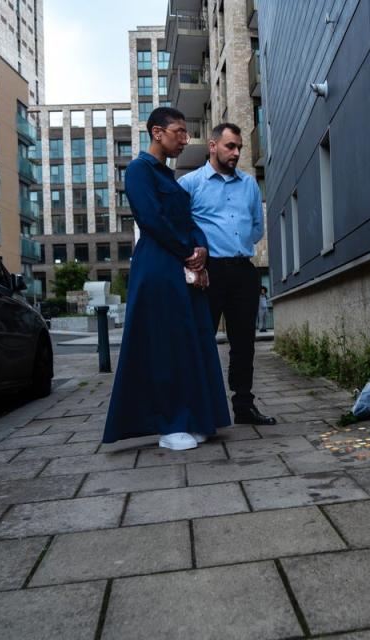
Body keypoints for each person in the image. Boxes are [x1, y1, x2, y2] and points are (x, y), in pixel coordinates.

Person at [102, 107, 230, 451]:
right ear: (157, 132)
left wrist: (200, 247)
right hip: (158, 269)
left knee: (190, 342)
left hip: (178, 266)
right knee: (164, 346)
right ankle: (169, 424)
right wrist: (188, 251)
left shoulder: (167, 176)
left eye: (186, 133)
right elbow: (152, 219)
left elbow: (187, 219)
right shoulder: (139, 171)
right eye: (179, 132)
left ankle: (194, 417)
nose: (184, 139)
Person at [179, 123, 276, 425]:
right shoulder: (190, 184)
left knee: (244, 342)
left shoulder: (248, 184)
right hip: (208, 273)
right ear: (212, 146)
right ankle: (200, 408)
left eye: (239, 148)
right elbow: (180, 227)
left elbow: (257, 227)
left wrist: (239, 243)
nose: (236, 153)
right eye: (230, 146)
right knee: (201, 338)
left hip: (242, 271)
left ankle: (244, 406)